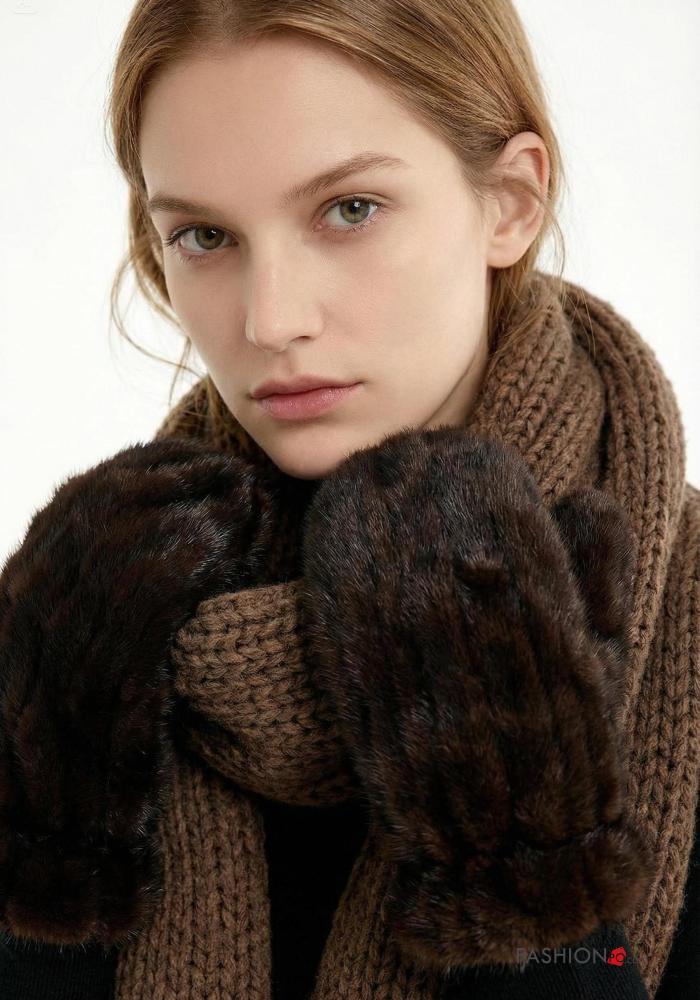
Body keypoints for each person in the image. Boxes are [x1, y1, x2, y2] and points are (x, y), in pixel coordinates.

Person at [0, 2, 697, 998]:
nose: (270, 319)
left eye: (350, 210)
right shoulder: (95, 610)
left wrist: (521, 856)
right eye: (205, 234)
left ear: (509, 202)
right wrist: (49, 846)